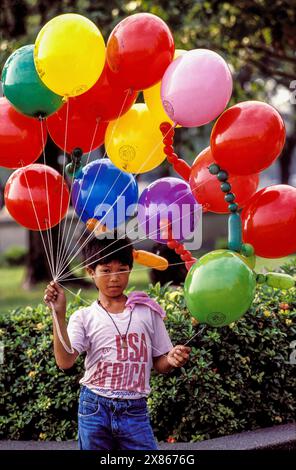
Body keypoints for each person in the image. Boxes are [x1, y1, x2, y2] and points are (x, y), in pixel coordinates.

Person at [44, 232, 191, 451]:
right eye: (106, 270)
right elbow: (65, 361)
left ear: (130, 269)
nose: (115, 277)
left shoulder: (147, 311)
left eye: (122, 269)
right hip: (95, 407)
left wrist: (171, 359)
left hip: (135, 410)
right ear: (90, 272)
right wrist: (59, 314)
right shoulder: (84, 317)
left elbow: (160, 362)